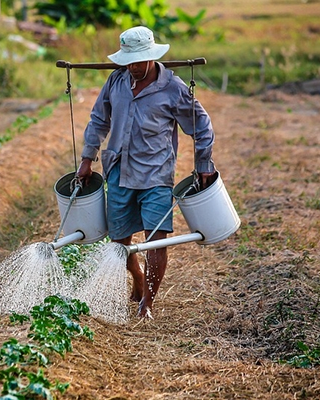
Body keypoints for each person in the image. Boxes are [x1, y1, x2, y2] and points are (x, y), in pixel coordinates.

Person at [76, 26, 216, 319]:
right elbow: (98, 120)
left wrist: (203, 164)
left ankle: (147, 304)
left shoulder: (173, 89)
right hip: (118, 171)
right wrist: (87, 158)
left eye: (138, 61)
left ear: (152, 57)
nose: (133, 67)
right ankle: (138, 278)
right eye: (128, 61)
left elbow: (202, 126)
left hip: (156, 175)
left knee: (156, 239)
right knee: (119, 242)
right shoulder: (116, 81)